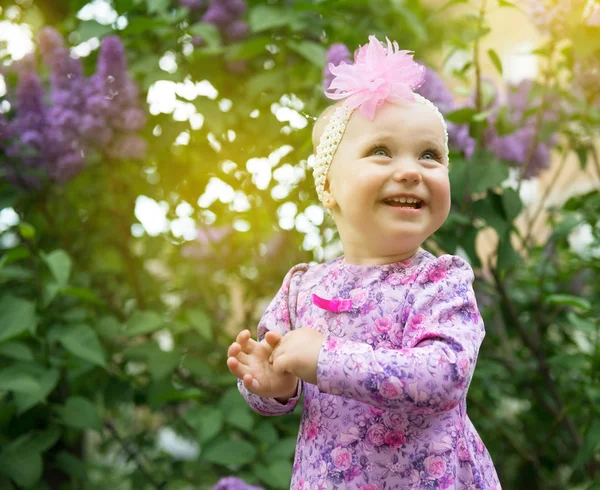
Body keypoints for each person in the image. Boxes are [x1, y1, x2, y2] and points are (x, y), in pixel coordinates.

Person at [226, 35, 502, 489]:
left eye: (430, 155)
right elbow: (281, 380)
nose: (412, 170)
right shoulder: (301, 286)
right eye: (381, 151)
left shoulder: (439, 280)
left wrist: (327, 358)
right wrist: (271, 387)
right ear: (328, 186)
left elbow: (444, 376)